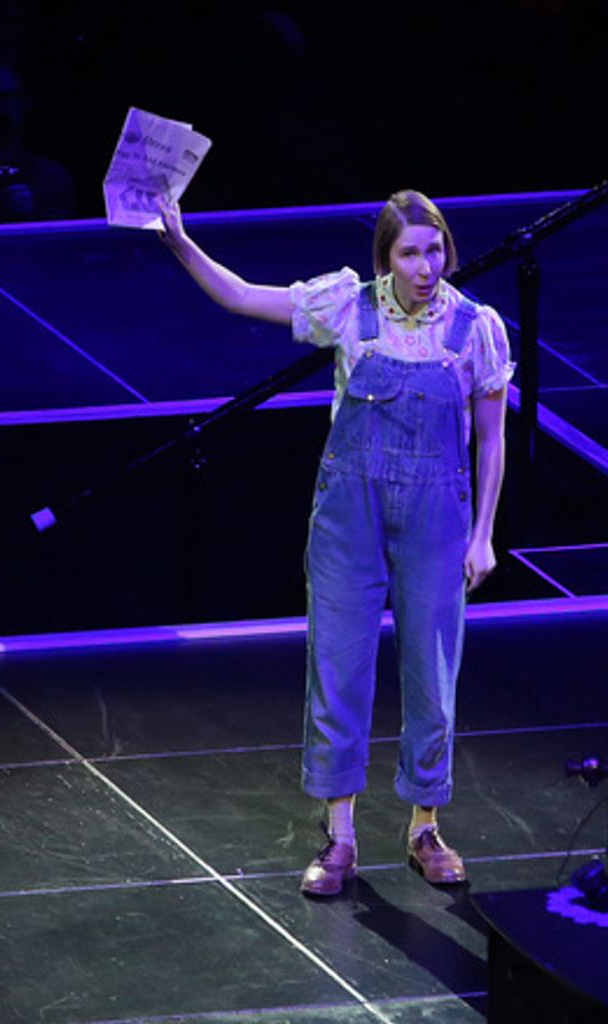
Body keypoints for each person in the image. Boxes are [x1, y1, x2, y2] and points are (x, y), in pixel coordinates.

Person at [157, 190, 511, 897]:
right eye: (410, 253)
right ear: (385, 258)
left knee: (432, 674)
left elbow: (492, 437)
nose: (425, 266)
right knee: (338, 668)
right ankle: (340, 834)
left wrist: (484, 535)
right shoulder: (349, 306)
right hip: (351, 513)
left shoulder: (476, 328)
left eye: (434, 250)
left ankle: (425, 827)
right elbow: (240, 297)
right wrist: (179, 240)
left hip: (437, 516)